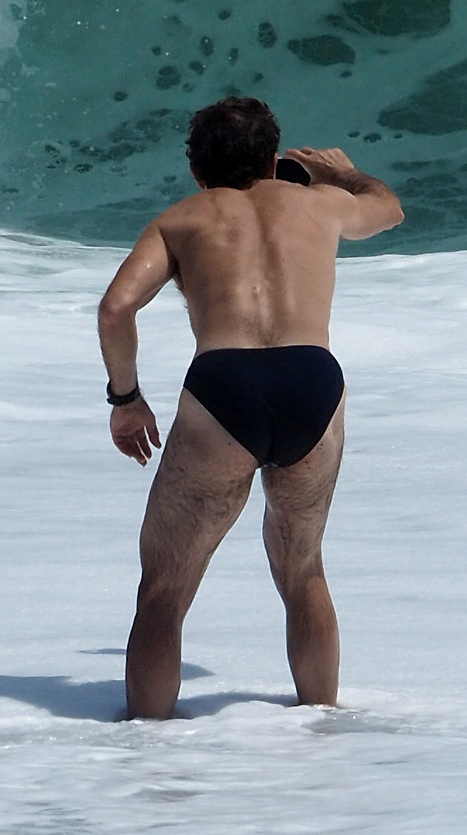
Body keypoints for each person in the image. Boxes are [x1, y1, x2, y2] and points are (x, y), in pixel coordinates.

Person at [97, 94, 403, 719]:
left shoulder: (180, 219)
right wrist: (343, 174)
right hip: (312, 382)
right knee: (304, 570)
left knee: (164, 587)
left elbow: (116, 308)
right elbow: (389, 209)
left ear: (195, 170)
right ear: (272, 159)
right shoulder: (321, 203)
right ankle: (322, 729)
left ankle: (143, 752)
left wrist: (126, 400)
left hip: (225, 388)